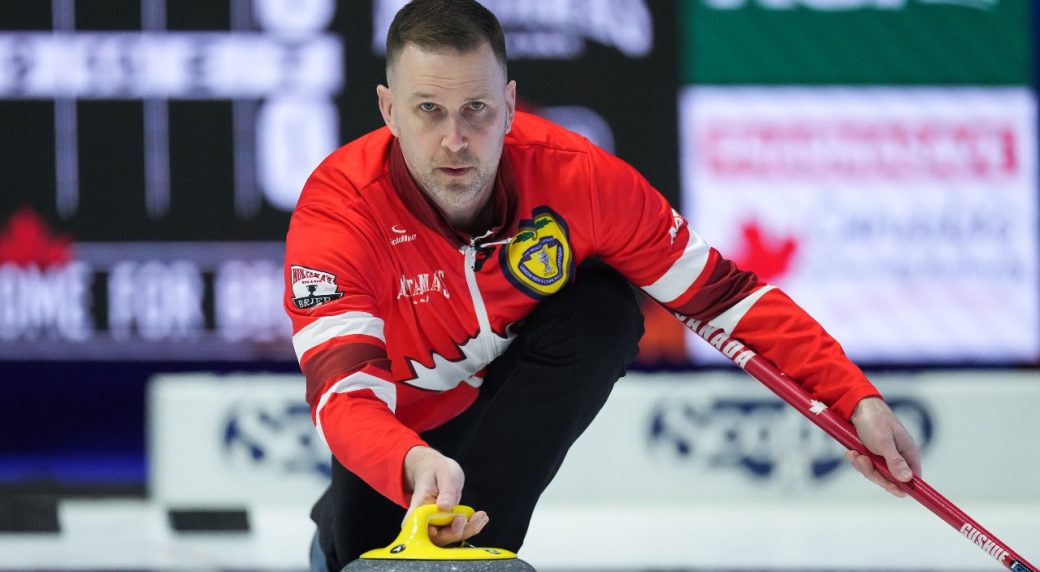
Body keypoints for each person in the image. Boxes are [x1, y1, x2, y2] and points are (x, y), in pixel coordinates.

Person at [283, 1, 922, 570]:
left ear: (509, 104)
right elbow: (344, 392)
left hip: (506, 397)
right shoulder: (337, 212)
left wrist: (854, 400)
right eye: (429, 110)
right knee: (355, 552)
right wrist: (410, 463)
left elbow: (725, 299)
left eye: (476, 109)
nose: (456, 140)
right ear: (388, 110)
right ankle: (338, 535)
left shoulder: (580, 179)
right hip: (398, 421)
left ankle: (479, 554)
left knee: (604, 312)